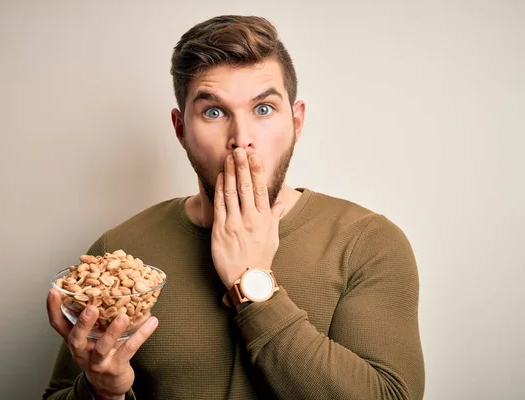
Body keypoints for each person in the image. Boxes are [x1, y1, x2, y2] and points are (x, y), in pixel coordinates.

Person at [43, 14, 425, 400]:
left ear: (295, 122)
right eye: (213, 112)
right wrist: (102, 390)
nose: (241, 139)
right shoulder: (119, 253)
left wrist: (253, 284)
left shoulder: (367, 243)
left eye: (263, 109)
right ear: (181, 130)